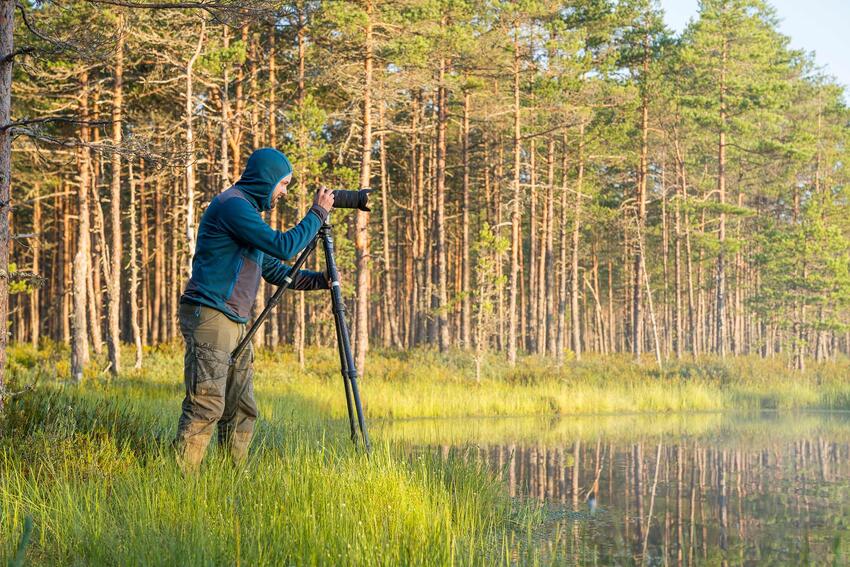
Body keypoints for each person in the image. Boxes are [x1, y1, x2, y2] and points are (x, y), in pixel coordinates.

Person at [174, 147, 335, 472]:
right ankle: (180, 486)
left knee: (241, 406)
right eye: (283, 184)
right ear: (266, 179)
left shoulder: (246, 214)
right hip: (211, 313)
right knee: (207, 402)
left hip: (234, 320)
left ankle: (233, 476)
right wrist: (316, 215)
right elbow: (284, 246)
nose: (284, 192)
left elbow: (275, 269)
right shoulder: (233, 206)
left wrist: (322, 280)